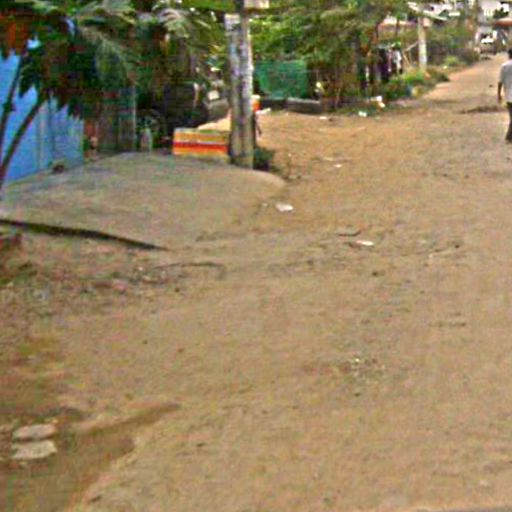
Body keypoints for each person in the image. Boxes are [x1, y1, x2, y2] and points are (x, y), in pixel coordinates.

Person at [498, 48, 512, 142]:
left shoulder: (504, 66)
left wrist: (499, 94)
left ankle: (509, 136)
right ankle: (509, 136)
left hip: (509, 96)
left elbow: (500, 82)